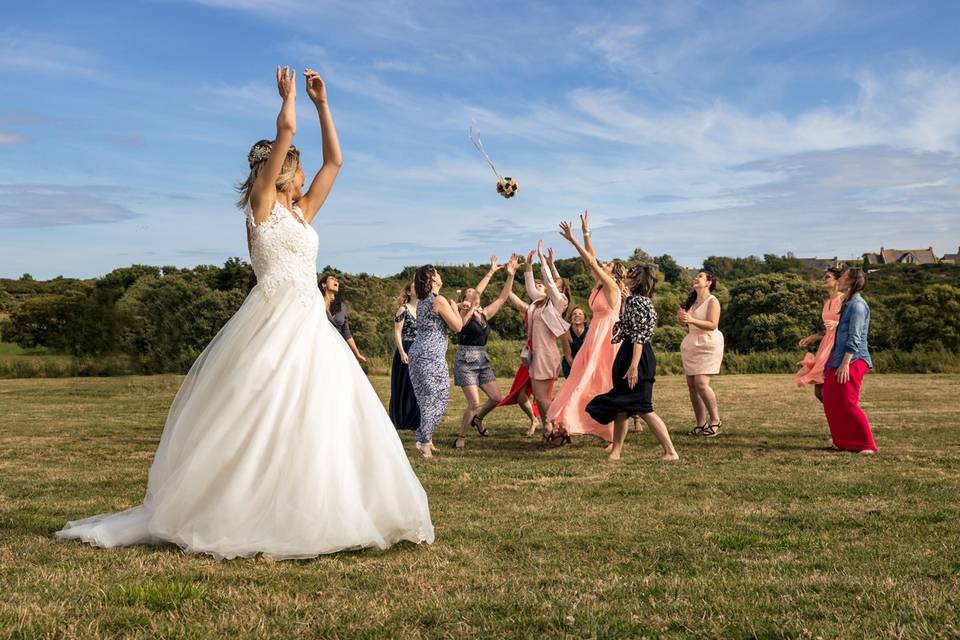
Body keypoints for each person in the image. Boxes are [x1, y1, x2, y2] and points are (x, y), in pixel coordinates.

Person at [57, 67, 433, 558]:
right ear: (281, 171)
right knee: (261, 411)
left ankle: (323, 506)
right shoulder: (261, 207)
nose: (302, 175)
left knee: (324, 414)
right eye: (295, 168)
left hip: (310, 325)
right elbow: (285, 134)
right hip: (273, 320)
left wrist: (324, 104)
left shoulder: (302, 212)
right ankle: (247, 509)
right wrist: (290, 102)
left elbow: (336, 161)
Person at [586, 264, 679, 461]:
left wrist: (634, 366)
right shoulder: (636, 301)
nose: (626, 277)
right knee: (621, 408)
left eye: (630, 275)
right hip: (629, 352)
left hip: (636, 355)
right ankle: (616, 451)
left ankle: (670, 451)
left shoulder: (638, 302)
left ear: (637, 280)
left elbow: (639, 337)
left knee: (644, 407)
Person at [549, 213, 624, 443]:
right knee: (581, 379)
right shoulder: (599, 285)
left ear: (614, 272)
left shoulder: (612, 286)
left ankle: (610, 430)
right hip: (595, 335)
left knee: (603, 381)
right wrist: (585, 232)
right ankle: (568, 421)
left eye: (609, 264)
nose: (604, 264)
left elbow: (591, 261)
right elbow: (591, 258)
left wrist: (573, 240)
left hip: (608, 336)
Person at [452, 255, 520, 449]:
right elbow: (475, 296)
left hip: (482, 359)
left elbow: (503, 297)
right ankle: (461, 437)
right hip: (465, 361)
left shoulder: (484, 313)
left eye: (475, 293)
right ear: (464, 299)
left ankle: (478, 420)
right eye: (470, 294)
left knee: (497, 398)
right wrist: (491, 271)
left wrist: (510, 275)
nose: (475, 295)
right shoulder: (463, 314)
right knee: (473, 402)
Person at [407, 265, 463, 458]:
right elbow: (457, 326)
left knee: (425, 399)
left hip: (417, 353)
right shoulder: (438, 300)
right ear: (432, 279)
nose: (440, 275)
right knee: (439, 396)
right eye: (437, 273)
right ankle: (423, 441)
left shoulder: (423, 301)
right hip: (431, 356)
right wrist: (455, 308)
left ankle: (428, 440)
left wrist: (453, 308)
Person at [822, 268, 877, 454]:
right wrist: (830, 364)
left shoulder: (858, 306)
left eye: (844, 277)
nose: (840, 280)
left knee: (847, 402)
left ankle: (867, 445)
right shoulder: (847, 303)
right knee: (830, 400)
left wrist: (845, 363)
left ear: (852, 282)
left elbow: (855, 337)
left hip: (853, 360)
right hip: (837, 358)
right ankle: (843, 442)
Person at [523, 244, 570, 441]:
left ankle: (560, 428)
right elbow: (531, 287)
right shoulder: (538, 302)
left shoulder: (559, 302)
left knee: (542, 397)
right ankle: (548, 429)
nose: (550, 283)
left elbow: (551, 284)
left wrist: (543, 258)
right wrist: (528, 265)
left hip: (546, 354)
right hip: (536, 354)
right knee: (539, 396)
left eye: (556, 283)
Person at [679, 270, 724, 437]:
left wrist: (691, 320)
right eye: (696, 276)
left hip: (708, 343)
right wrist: (682, 318)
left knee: (701, 383)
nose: (695, 278)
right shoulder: (691, 301)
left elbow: (712, 324)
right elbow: (688, 323)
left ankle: (715, 420)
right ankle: (700, 424)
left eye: (700, 276)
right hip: (692, 343)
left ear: (709, 282)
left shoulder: (713, 301)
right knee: (692, 385)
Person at [796, 267, 845, 402]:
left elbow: (845, 327)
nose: (823, 279)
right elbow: (828, 329)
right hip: (825, 346)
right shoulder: (826, 302)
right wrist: (812, 338)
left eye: (827, 277)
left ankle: (840, 416)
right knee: (819, 392)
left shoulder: (844, 301)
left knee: (828, 390)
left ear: (837, 281)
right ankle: (836, 416)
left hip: (837, 346)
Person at [389, 282, 420, 430]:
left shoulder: (422, 309)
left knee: (417, 386)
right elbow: (397, 332)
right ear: (408, 291)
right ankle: (402, 419)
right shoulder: (403, 309)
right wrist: (402, 352)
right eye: (415, 287)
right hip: (406, 348)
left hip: (419, 350)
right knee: (405, 385)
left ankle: (415, 420)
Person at [320, 273, 366, 363]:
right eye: (332, 279)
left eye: (337, 280)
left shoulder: (342, 307)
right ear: (323, 284)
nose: (336, 281)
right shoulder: (317, 302)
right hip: (320, 345)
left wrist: (357, 354)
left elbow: (346, 333)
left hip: (336, 348)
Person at [561, 307, 589, 379]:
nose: (577, 315)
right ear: (571, 319)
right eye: (574, 314)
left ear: (585, 319)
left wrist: (585, 369)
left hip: (586, 364)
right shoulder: (565, 333)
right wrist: (578, 370)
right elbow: (568, 357)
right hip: (570, 364)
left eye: (580, 314)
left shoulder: (590, 331)